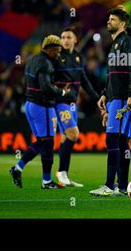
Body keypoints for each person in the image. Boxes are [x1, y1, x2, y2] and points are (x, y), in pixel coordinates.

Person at [90, 7, 131, 196]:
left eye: (112, 19)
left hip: (122, 98)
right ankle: (120, 185)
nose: (108, 22)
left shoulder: (127, 43)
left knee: (113, 138)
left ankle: (110, 185)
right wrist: (105, 93)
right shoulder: (115, 45)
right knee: (120, 140)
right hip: (114, 97)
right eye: (109, 18)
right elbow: (113, 76)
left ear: (122, 24)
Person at [9, 35, 70, 189]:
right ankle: (47, 181)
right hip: (43, 106)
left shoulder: (32, 60)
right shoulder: (45, 64)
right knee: (48, 143)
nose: (58, 54)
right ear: (49, 49)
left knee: (42, 142)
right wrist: (62, 92)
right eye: (56, 51)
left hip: (30, 104)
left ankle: (18, 168)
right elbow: (46, 88)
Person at [54, 27, 100, 187]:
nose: (65, 40)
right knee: (73, 135)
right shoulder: (57, 57)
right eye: (63, 37)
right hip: (61, 102)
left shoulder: (78, 57)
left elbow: (83, 80)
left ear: (75, 40)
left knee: (66, 137)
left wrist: (96, 97)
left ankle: (63, 175)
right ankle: (60, 172)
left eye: (68, 37)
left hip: (72, 103)